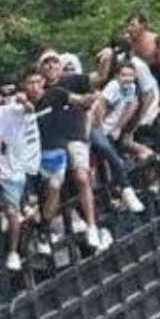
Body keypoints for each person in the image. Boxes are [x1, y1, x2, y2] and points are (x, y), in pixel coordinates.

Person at [25, 62, 102, 252]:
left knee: (74, 179)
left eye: (37, 82)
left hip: (62, 144)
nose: (34, 87)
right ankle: (43, 230)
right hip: (38, 153)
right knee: (44, 191)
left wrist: (92, 98)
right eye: (30, 83)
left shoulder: (56, 94)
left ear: (43, 82)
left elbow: (81, 100)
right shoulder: (22, 106)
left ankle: (91, 225)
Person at [0, 81, 41, 272]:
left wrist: (24, 101)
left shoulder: (10, 111)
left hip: (13, 171)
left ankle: (13, 252)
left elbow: (29, 110)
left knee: (11, 212)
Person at [91, 62, 146, 213]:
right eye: (124, 75)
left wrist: (118, 127)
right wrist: (101, 125)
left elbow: (129, 106)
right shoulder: (113, 86)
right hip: (99, 128)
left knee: (108, 161)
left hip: (111, 130)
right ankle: (125, 190)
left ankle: (116, 195)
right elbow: (101, 103)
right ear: (116, 76)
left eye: (130, 75)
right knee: (108, 155)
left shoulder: (131, 88)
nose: (127, 78)